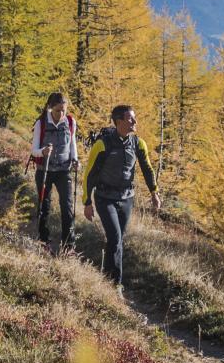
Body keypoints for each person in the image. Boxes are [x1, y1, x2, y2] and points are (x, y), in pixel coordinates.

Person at [80, 104, 161, 289]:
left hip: (126, 198)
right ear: (119, 122)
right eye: (130, 119)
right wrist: (87, 201)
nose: (135, 122)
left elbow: (147, 169)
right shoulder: (103, 144)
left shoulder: (138, 143)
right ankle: (115, 284)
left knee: (116, 241)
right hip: (104, 198)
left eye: (134, 118)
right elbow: (89, 174)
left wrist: (154, 192)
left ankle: (107, 279)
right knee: (115, 238)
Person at [25, 93, 80, 257]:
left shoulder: (70, 122)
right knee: (44, 206)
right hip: (45, 170)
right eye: (58, 111)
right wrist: (43, 151)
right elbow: (33, 150)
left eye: (64, 110)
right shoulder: (41, 123)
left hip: (64, 170)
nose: (61, 114)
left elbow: (72, 144)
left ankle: (68, 245)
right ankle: (44, 241)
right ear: (50, 108)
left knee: (67, 207)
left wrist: (75, 159)